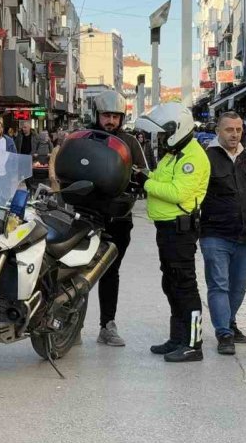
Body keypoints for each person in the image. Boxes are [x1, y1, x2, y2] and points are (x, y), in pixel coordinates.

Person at [136, 102, 211, 362]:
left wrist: (146, 182)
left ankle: (193, 344)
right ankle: (177, 338)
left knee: (184, 286)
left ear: (176, 129)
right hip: (166, 229)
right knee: (171, 284)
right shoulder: (174, 152)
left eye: (163, 133)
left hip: (180, 230)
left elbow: (178, 192)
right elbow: (160, 179)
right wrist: (146, 177)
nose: (160, 138)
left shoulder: (192, 156)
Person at [199, 112, 246, 356]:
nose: (235, 134)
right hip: (215, 233)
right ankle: (224, 332)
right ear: (218, 130)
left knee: (238, 287)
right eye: (229, 130)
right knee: (219, 284)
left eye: (238, 129)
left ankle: (229, 321)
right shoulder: (207, 158)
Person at [89, 90, 149, 347]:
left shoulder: (130, 143)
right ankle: (69, 324)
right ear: (97, 116)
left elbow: (145, 173)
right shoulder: (85, 138)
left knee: (110, 271)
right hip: (87, 215)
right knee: (73, 271)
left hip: (118, 216)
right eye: (106, 116)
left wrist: (137, 179)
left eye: (115, 116)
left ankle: (107, 325)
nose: (110, 121)